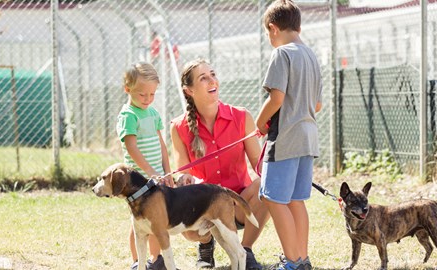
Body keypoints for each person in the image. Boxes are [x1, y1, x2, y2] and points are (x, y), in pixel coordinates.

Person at [170, 59, 270, 270]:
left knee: (268, 183)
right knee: (189, 230)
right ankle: (206, 245)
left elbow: (259, 164)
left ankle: (246, 250)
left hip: (239, 203)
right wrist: (185, 179)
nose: (211, 80)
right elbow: (183, 175)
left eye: (212, 74)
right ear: (189, 90)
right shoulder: (178, 127)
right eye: (203, 78)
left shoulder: (241, 117)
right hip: (205, 206)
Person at [255, 1, 323, 270]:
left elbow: (277, 98)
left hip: (285, 138)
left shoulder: (281, 54)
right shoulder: (311, 55)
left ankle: (293, 262)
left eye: (267, 34)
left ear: (273, 28)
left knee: (273, 197)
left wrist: (260, 123)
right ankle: (302, 259)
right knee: (296, 199)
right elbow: (317, 105)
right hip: (308, 137)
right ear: (298, 26)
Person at [116, 62, 174, 270]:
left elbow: (161, 146)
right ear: (128, 90)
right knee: (139, 223)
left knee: (157, 220)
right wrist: (150, 172)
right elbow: (131, 148)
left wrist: (166, 172)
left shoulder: (153, 114)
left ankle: (156, 259)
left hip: (156, 178)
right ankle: (137, 262)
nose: (148, 99)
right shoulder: (128, 116)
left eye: (152, 94)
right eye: (142, 95)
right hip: (138, 181)